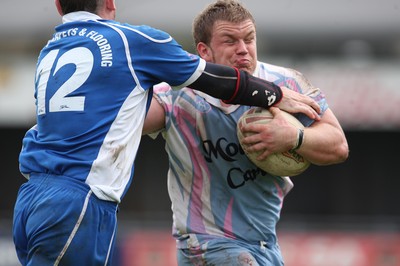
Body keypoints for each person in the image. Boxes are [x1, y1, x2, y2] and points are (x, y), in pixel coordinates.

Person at [12, 0, 324, 265]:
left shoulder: (50, 51)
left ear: (57, 5)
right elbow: (215, 80)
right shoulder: (131, 41)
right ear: (110, 2)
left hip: (30, 198)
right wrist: (276, 95)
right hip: (78, 203)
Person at [142, 0, 349, 265]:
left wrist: (294, 138)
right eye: (230, 41)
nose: (243, 50)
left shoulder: (286, 84)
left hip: (265, 244)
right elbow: (128, 122)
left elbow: (338, 146)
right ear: (204, 51)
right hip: (206, 245)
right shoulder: (178, 94)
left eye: (249, 39)